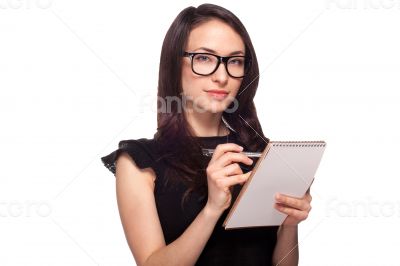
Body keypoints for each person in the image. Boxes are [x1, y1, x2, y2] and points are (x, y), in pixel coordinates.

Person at [101, 4, 313, 266]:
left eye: (235, 61)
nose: (222, 77)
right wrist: (212, 209)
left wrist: (289, 226)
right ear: (174, 63)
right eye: (204, 58)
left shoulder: (261, 153)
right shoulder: (139, 161)